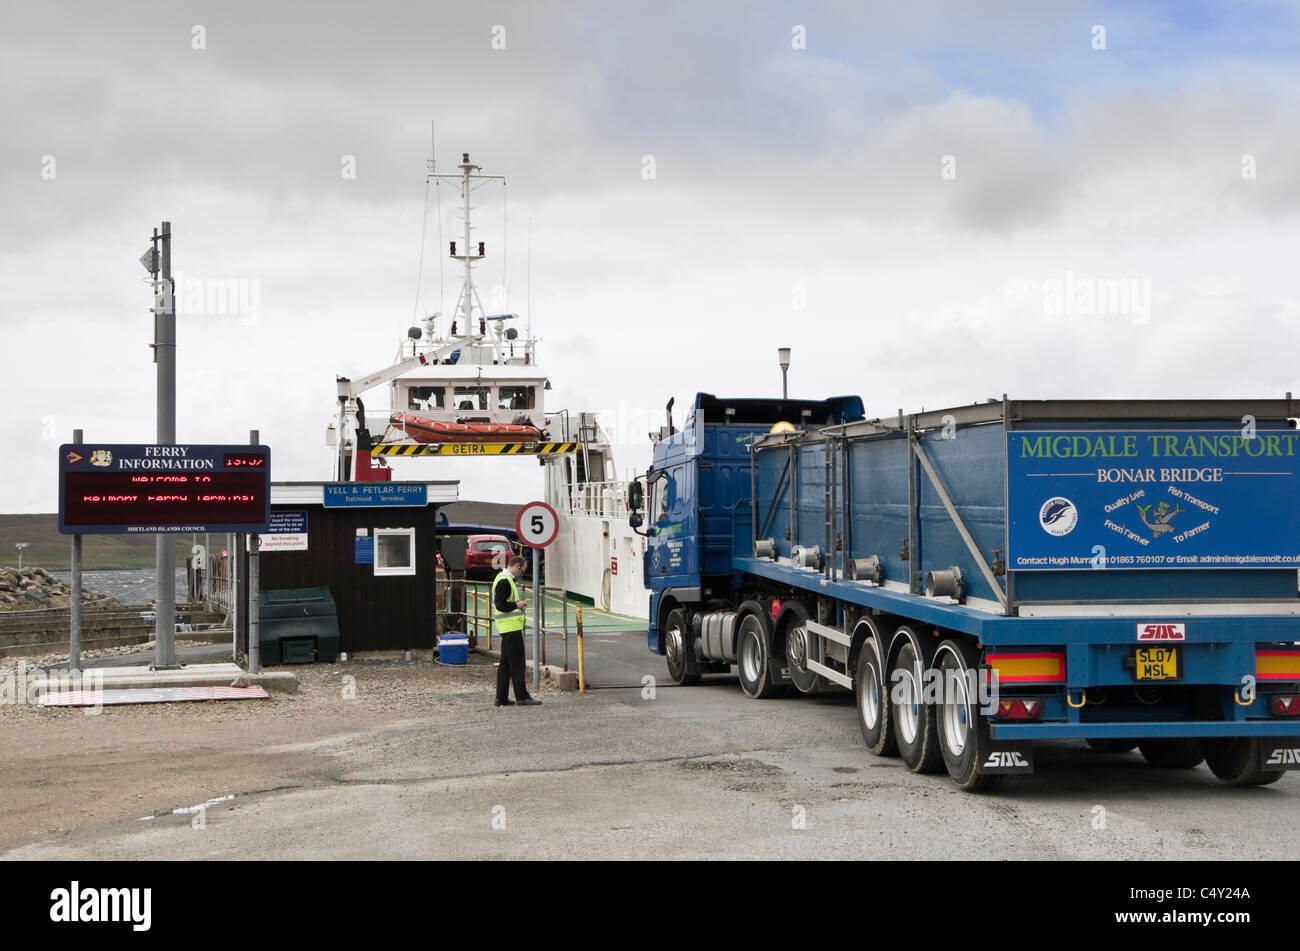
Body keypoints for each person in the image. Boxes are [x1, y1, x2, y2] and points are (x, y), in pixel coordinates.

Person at [493, 554, 541, 707]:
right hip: (511, 627)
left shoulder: (504, 578)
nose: (522, 574)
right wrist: (517, 605)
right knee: (517, 663)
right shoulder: (504, 581)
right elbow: (500, 605)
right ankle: (522, 696)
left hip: (507, 627)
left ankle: (501, 698)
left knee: (505, 664)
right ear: (516, 566)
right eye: (522, 570)